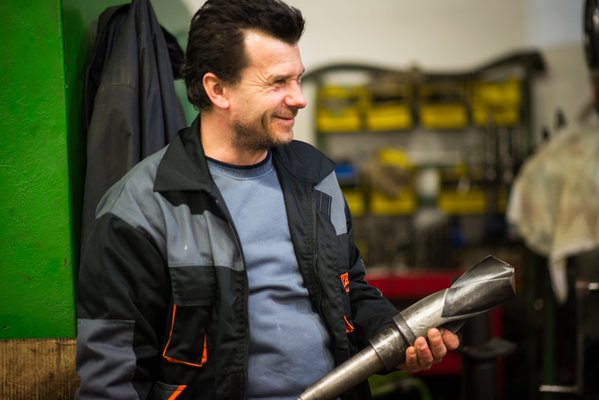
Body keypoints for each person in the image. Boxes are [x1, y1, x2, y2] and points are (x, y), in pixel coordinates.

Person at [75, 0, 459, 399]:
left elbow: (351, 291)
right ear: (217, 89)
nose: (299, 98)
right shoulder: (139, 209)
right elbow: (113, 372)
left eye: (298, 79)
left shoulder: (316, 178)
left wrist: (396, 339)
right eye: (278, 83)